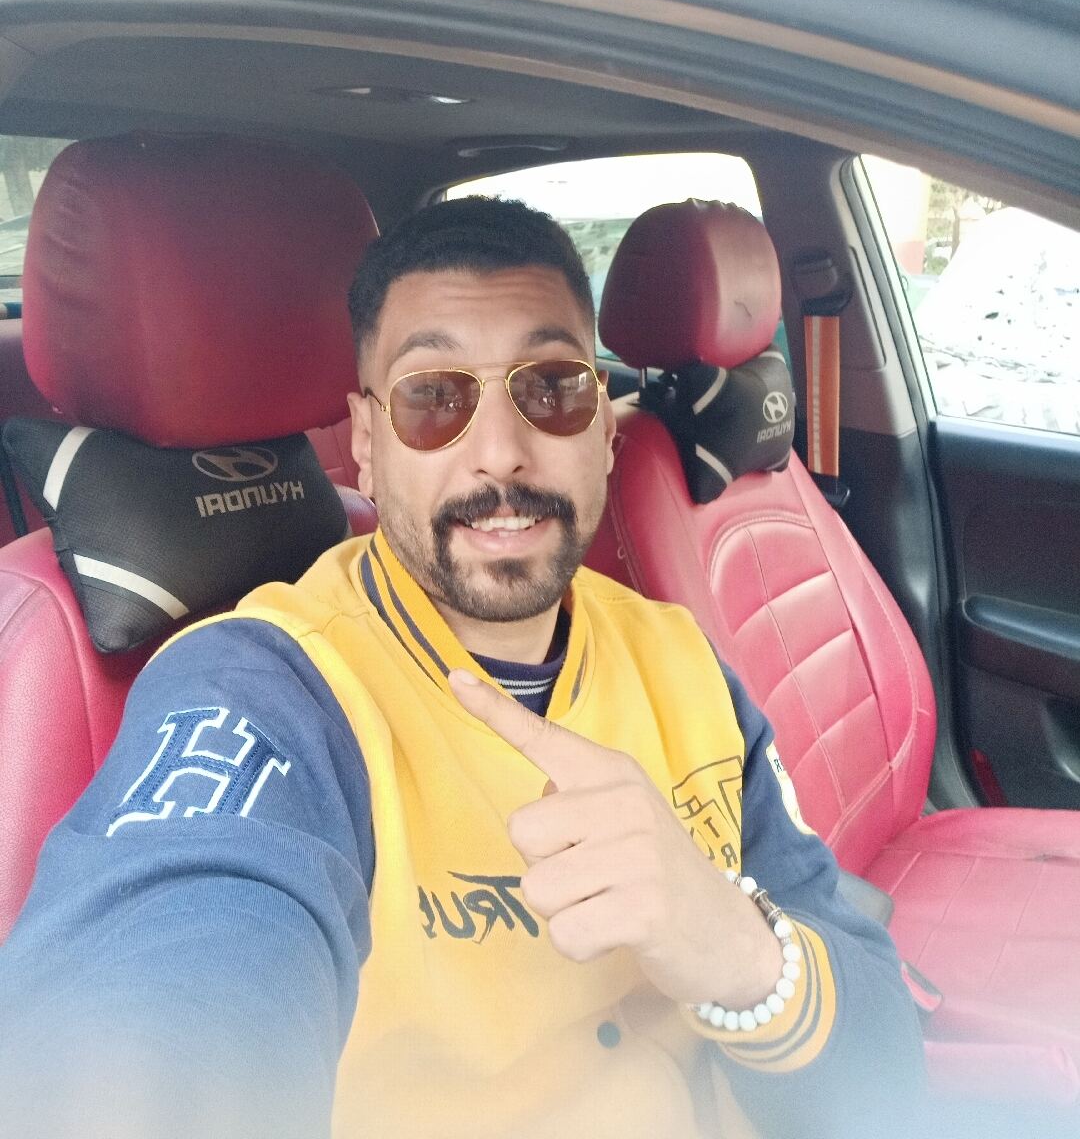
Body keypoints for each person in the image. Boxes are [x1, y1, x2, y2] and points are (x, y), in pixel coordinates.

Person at [0, 197, 924, 1138]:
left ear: (605, 429)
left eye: (553, 388)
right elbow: (157, 989)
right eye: (433, 397)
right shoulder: (268, 695)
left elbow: (885, 1062)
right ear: (366, 446)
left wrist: (734, 947)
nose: (501, 455)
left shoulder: (682, 661)